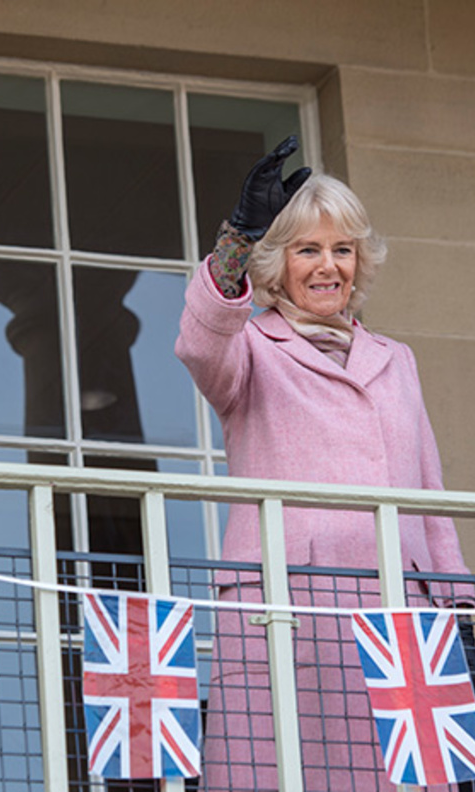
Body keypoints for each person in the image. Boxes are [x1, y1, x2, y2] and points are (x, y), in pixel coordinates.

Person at [175, 137, 472, 791]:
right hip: (289, 609)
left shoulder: (396, 359)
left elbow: (431, 495)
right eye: (309, 249)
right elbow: (200, 339)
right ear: (278, 263)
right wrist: (237, 239)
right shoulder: (248, 347)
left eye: (343, 249)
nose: (329, 266)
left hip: (400, 617)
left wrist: (461, 608)